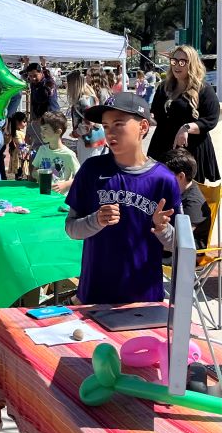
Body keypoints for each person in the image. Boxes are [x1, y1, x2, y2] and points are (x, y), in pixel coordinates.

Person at [65, 93, 182, 304]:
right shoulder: (91, 170)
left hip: (144, 298)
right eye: (107, 126)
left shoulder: (163, 179)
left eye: (119, 124)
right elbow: (71, 229)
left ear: (143, 127)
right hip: (94, 294)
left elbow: (179, 245)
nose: (110, 133)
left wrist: (163, 229)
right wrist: (96, 220)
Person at [148, 45, 220, 183]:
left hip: (192, 150)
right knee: (162, 191)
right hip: (163, 146)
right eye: (174, 61)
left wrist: (187, 127)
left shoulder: (204, 90)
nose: (177, 65)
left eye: (182, 62)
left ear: (192, 64)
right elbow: (156, 115)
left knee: (189, 195)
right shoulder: (164, 88)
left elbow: (211, 119)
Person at [162, 148, 211, 252]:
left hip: (185, 252)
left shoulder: (193, 204)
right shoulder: (178, 190)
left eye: (165, 175)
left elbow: (182, 239)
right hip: (170, 242)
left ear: (180, 176)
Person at [31, 111, 79, 194]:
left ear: (58, 131)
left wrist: (65, 184)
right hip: (42, 195)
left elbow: (81, 177)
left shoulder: (69, 155)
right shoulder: (42, 150)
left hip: (60, 199)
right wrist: (36, 174)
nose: (41, 132)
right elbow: (33, 172)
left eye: (45, 129)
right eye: (41, 129)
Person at [66, 70, 107, 164]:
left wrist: (76, 133)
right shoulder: (88, 96)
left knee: (89, 169)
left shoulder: (83, 100)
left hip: (89, 140)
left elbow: (89, 122)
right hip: (94, 138)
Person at [25, 60, 59, 150]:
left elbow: (52, 106)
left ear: (41, 73)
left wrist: (44, 119)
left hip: (49, 121)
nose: (32, 79)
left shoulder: (48, 84)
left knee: (47, 148)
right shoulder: (34, 82)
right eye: (30, 76)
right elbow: (25, 76)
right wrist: (26, 63)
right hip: (37, 121)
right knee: (37, 148)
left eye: (35, 76)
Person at [8, 111, 30, 180]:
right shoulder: (17, 133)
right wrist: (28, 150)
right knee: (19, 171)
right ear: (17, 122)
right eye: (24, 122)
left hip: (21, 153)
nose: (25, 124)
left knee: (21, 171)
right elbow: (21, 144)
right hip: (20, 154)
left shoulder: (19, 131)